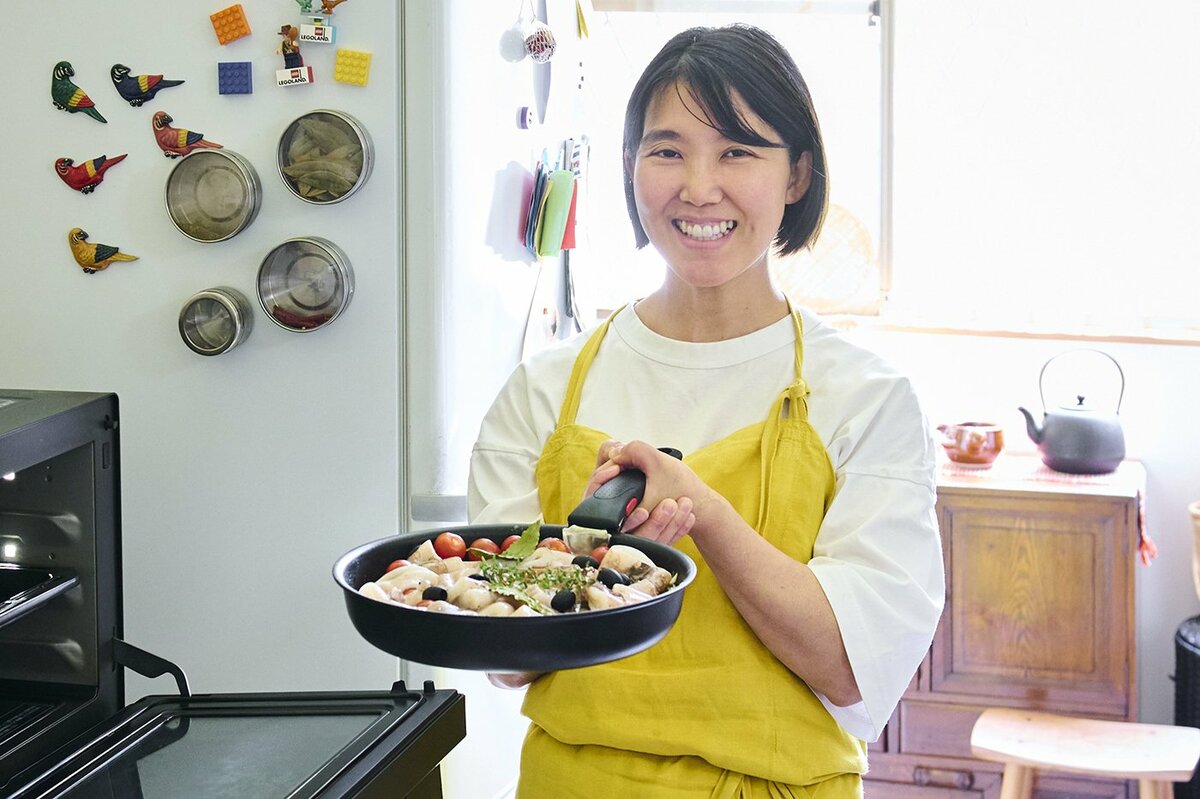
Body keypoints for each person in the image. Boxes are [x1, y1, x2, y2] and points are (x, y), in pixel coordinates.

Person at [468, 23, 944, 798]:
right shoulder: (544, 388)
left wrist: (707, 520)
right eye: (666, 150)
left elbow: (852, 667)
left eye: (738, 151)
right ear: (629, 169)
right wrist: (587, 556)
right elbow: (505, 658)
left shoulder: (866, 398)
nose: (697, 186)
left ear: (796, 177)